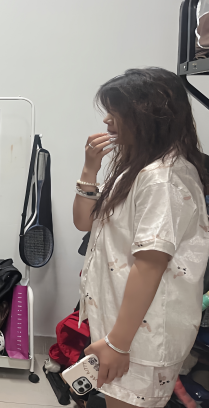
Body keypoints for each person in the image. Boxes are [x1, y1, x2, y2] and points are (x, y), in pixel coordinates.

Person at [73, 68, 209, 408]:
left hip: (140, 335)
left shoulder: (163, 177)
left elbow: (150, 266)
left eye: (115, 111)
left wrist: (118, 344)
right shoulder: (136, 170)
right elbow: (84, 222)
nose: (106, 120)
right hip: (126, 326)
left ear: (149, 115)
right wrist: (90, 169)